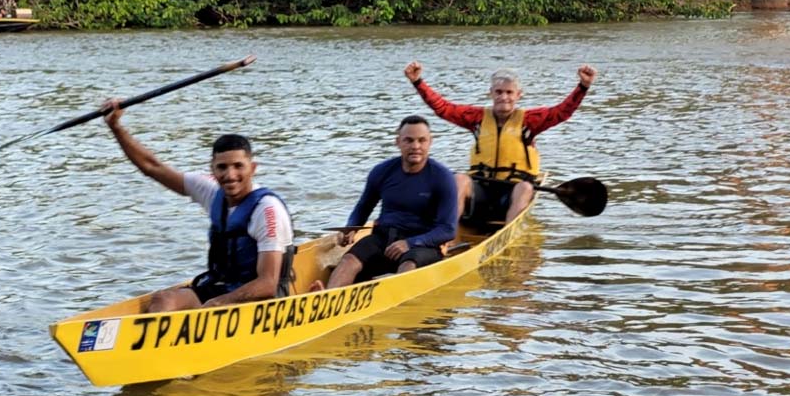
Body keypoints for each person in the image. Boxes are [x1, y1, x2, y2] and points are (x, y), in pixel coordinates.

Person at [102, 99, 296, 312]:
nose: (230, 175)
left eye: (238, 166)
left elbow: (268, 284)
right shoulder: (210, 190)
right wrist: (116, 127)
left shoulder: (267, 210)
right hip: (223, 289)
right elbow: (152, 167)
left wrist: (219, 303)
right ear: (212, 169)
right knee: (163, 300)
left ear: (253, 168)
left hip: (264, 302)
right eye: (222, 167)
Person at [404, 61, 597, 227]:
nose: (504, 97)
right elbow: (443, 108)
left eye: (509, 92)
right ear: (491, 94)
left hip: (513, 193)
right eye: (499, 92)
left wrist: (583, 86)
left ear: (518, 95)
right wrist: (417, 82)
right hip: (482, 190)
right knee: (460, 179)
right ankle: (447, 235)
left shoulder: (531, 120)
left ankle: (507, 232)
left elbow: (562, 112)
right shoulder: (476, 118)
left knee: (526, 188)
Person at [313, 115, 458, 290]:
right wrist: (351, 227)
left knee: (408, 265)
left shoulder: (442, 177)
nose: (416, 146)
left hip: (422, 243)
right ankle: (328, 300)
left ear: (430, 142)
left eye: (422, 140)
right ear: (398, 142)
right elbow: (363, 207)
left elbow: (448, 230)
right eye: (409, 140)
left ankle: (394, 296)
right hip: (384, 238)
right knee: (349, 259)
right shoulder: (382, 171)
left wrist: (410, 244)